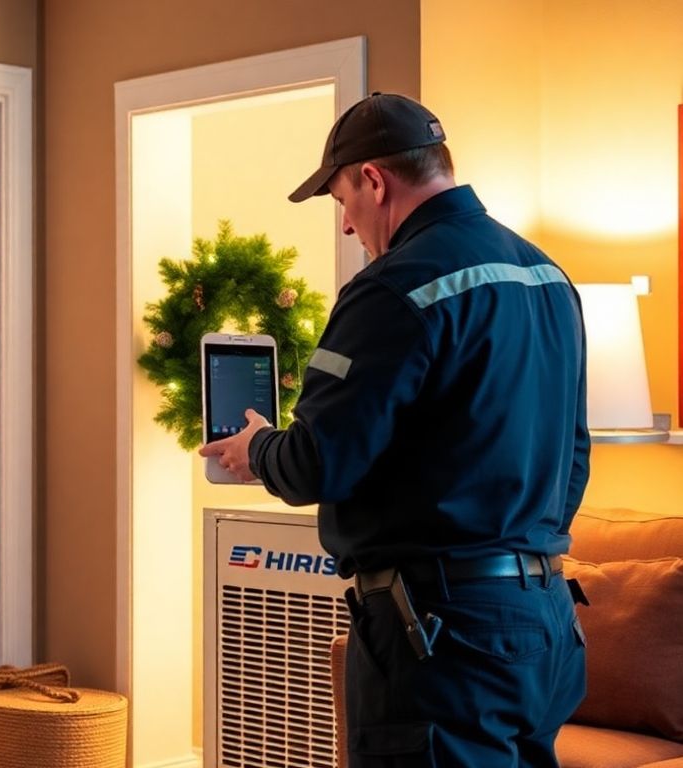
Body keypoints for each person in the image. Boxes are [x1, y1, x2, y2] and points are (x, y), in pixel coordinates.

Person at [199, 93, 590, 766]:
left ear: (374, 180)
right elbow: (574, 455)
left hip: (442, 633)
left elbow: (317, 463)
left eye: (342, 200)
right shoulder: (547, 275)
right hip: (545, 621)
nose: (349, 226)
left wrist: (256, 447)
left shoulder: (394, 287)